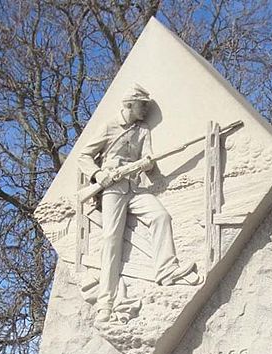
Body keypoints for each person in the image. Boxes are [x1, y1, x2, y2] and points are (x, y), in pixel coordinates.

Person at [77, 84, 200, 323]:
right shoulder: (110, 127)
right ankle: (106, 303)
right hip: (113, 189)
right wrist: (99, 175)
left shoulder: (143, 130)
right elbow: (84, 156)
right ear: (130, 104)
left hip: (134, 188)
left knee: (160, 216)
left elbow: (149, 160)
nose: (145, 108)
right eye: (142, 104)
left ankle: (166, 271)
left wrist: (149, 165)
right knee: (112, 241)